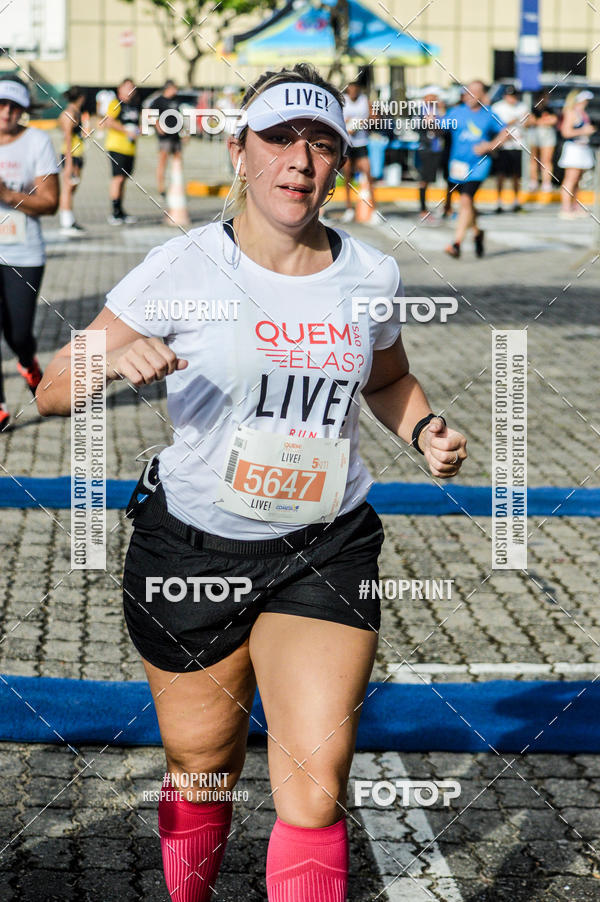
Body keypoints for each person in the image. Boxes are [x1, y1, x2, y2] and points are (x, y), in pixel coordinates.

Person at [37, 62, 467, 902]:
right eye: (278, 139)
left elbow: (388, 379)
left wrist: (423, 429)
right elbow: (53, 386)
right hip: (192, 553)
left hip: (324, 548)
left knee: (314, 784)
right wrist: (111, 363)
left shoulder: (370, 275)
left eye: (321, 144)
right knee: (203, 766)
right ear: (239, 152)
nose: (299, 160)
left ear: (338, 162)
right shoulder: (182, 266)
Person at [0, 76, 59, 432]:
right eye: (0, 104)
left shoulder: (37, 141)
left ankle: (27, 361)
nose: (6, 112)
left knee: (18, 333)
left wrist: (7, 194)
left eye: (14, 107)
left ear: (23, 110)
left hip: (23, 252)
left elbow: (50, 202)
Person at [442, 80, 510, 258]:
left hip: (479, 164)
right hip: (458, 165)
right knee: (468, 203)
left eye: (474, 91)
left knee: (466, 199)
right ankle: (477, 232)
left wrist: (490, 145)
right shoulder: (456, 112)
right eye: (467, 91)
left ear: (482, 95)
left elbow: (506, 132)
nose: (470, 95)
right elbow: (441, 127)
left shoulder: (488, 114)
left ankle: (456, 243)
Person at [105, 78, 140, 225]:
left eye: (132, 88)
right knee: (117, 178)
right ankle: (114, 212)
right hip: (117, 147)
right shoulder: (115, 103)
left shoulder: (134, 106)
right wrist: (126, 131)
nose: (130, 90)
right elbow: (108, 121)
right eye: (127, 87)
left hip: (130, 148)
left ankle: (121, 210)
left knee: (123, 180)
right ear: (120, 89)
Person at [491, 85, 531, 212]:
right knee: (500, 174)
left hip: (517, 145)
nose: (512, 99)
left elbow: (528, 124)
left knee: (516, 175)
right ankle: (499, 201)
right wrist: (509, 125)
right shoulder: (497, 107)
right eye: (509, 96)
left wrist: (526, 120)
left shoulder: (522, 107)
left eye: (514, 96)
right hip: (502, 145)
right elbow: (494, 125)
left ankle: (516, 201)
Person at [557, 89, 596, 219]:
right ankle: (565, 208)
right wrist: (583, 131)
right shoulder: (571, 112)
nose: (586, 103)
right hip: (573, 148)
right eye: (584, 100)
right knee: (570, 179)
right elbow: (566, 132)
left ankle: (575, 206)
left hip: (582, 148)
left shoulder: (582, 113)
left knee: (578, 179)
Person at [341, 81, 376, 222]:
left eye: (356, 89)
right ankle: (349, 208)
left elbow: (375, 118)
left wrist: (363, 122)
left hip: (362, 143)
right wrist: (346, 123)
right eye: (351, 89)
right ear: (348, 90)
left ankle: (374, 210)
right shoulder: (343, 101)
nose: (353, 92)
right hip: (348, 142)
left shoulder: (364, 101)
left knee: (368, 174)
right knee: (347, 175)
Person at [415, 87, 446, 224]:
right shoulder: (420, 111)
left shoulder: (441, 110)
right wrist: (427, 123)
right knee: (424, 179)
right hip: (426, 149)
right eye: (430, 97)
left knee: (447, 178)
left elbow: (447, 127)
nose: (432, 99)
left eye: (434, 97)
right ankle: (423, 209)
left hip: (440, 149)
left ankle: (447, 207)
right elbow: (415, 127)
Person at [58, 85, 87, 235]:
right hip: (71, 155)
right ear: (80, 98)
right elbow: (68, 140)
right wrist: (69, 164)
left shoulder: (77, 112)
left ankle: (69, 218)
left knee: (73, 187)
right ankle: (66, 222)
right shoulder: (69, 114)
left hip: (78, 154)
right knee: (68, 188)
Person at [153, 80, 183, 200]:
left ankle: (175, 187)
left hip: (176, 136)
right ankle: (161, 189)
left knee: (177, 162)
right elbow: (151, 115)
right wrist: (158, 127)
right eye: (174, 88)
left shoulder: (176, 100)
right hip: (165, 137)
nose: (176, 91)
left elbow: (179, 116)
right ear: (168, 88)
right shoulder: (158, 101)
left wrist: (184, 132)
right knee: (163, 161)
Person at [527, 89, 558, 192]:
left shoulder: (550, 109)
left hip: (547, 135)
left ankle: (546, 183)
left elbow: (553, 120)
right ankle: (533, 181)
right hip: (534, 135)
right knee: (534, 159)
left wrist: (538, 121)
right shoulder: (532, 109)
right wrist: (542, 121)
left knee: (546, 160)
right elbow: (529, 121)